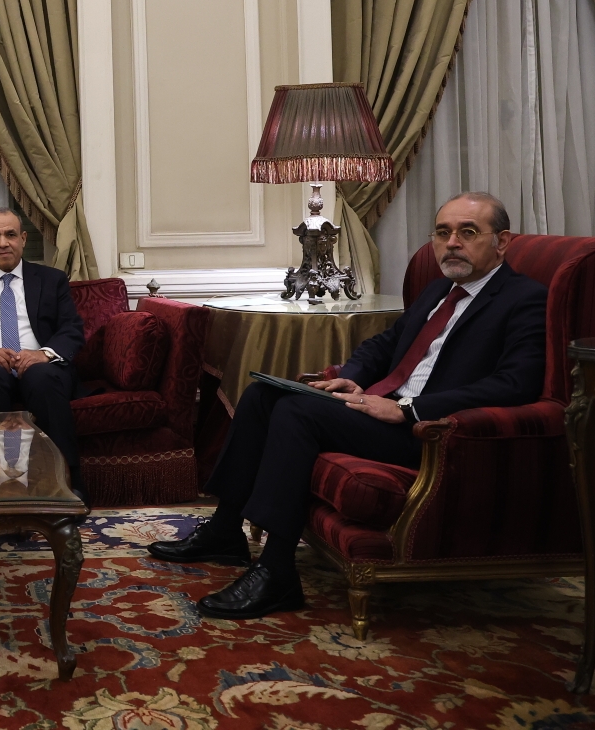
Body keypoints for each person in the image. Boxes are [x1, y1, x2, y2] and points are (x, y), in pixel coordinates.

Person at [148, 192, 547, 619]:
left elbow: (515, 384)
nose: (452, 243)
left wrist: (409, 409)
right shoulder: (439, 290)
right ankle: (226, 531)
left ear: (501, 242)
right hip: (382, 410)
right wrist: (352, 374)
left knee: (297, 412)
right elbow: (385, 344)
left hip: (432, 432)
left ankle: (276, 572)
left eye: (468, 232)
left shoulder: (525, 299)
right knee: (262, 395)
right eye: (443, 232)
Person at [0, 208, 87, 502]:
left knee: (42, 376)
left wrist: (44, 354)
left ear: (23, 239)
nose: (3, 243)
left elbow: (72, 328)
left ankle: (66, 482)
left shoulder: (52, 279)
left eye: (10, 234)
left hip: (42, 368)